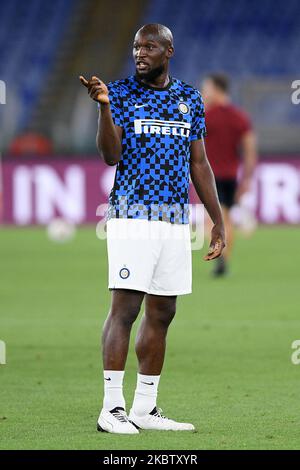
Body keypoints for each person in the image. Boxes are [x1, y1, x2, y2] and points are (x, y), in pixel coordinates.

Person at [80, 23, 225, 435]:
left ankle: (145, 407)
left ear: (169, 51)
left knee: (163, 312)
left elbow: (200, 163)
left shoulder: (188, 99)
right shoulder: (121, 94)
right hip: (132, 216)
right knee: (125, 311)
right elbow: (110, 155)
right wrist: (104, 108)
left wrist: (217, 219)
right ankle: (112, 408)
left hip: (175, 221)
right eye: (135, 47)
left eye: (148, 47)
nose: (140, 53)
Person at [202, 73, 257, 276]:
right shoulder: (240, 117)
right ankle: (224, 258)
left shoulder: (206, 116)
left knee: (213, 220)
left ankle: (220, 257)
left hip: (209, 176)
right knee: (226, 220)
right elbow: (249, 150)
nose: (203, 93)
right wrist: (248, 178)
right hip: (231, 176)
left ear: (217, 90)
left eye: (206, 89)